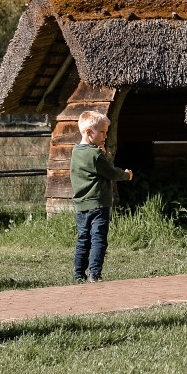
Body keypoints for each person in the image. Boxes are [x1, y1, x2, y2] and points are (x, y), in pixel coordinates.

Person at [70, 109, 132, 284]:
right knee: (98, 239)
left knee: (83, 239)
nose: (106, 135)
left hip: (81, 205)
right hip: (98, 204)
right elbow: (111, 172)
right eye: (103, 132)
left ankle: (78, 274)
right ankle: (94, 274)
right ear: (90, 133)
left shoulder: (76, 152)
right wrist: (126, 174)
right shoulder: (96, 155)